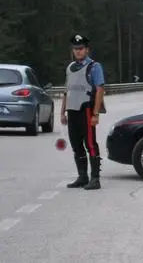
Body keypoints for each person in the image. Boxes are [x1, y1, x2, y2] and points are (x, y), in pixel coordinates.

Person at [61, 34, 106, 190]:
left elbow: (100, 90)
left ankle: (95, 178)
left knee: (90, 144)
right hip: (72, 111)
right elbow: (67, 91)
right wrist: (62, 112)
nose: (78, 51)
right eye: (75, 49)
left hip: (86, 109)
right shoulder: (70, 68)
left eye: (80, 49)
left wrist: (96, 114)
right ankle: (82, 176)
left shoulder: (94, 67)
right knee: (76, 144)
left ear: (86, 50)